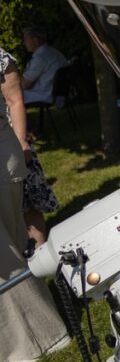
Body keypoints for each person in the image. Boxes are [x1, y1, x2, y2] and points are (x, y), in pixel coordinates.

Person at [1, 48, 69, 362]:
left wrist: (23, 146)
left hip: (3, 161)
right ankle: (15, 339)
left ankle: (42, 337)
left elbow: (15, 101)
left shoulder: (0, 58)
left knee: (8, 253)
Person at [0, 49, 59, 247]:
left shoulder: (1, 58)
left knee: (29, 203)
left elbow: (15, 100)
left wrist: (22, 142)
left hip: (10, 141)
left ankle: (42, 253)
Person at [20, 27, 68, 106]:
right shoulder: (54, 52)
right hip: (58, 95)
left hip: (44, 95)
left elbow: (24, 84)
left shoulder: (41, 58)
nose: (24, 43)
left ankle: (17, 118)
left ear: (35, 40)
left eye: (26, 40)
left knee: (9, 96)